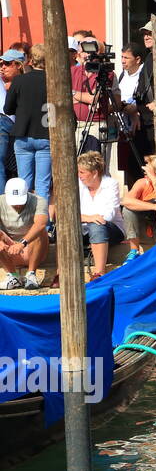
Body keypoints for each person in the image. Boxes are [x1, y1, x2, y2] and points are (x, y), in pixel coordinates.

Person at [5, 44, 50, 202]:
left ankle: (25, 221)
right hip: (45, 133)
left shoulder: (19, 80)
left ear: (30, 60)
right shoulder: (53, 81)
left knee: (24, 182)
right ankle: (43, 222)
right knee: (42, 184)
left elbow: (7, 108)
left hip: (23, 134)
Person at [73, 151, 124, 280]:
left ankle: (99, 273)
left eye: (82, 172)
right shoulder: (77, 186)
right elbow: (69, 214)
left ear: (95, 173)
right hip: (85, 228)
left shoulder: (110, 184)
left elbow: (108, 216)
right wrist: (89, 218)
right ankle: (60, 272)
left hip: (111, 229)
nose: (79, 176)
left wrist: (85, 218)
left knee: (97, 226)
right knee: (67, 228)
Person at [116, 42, 156, 192]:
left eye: (126, 57)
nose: (123, 61)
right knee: (129, 168)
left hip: (141, 128)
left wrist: (134, 110)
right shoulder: (122, 75)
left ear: (138, 59)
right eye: (121, 57)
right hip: (125, 127)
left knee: (144, 167)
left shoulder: (143, 74)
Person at [0, 177, 49, 289]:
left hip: (33, 248)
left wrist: (22, 243)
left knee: (40, 231)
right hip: (9, 249)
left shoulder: (39, 201)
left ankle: (31, 274)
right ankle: (12, 276)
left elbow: (41, 223)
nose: (17, 205)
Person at [0, 48, 23, 183]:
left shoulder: (26, 82)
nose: (3, 67)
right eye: (1, 64)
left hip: (19, 129)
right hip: (5, 123)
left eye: (7, 64)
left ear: (19, 65)